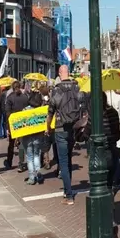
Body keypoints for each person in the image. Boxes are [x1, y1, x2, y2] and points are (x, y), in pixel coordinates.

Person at [47, 65, 84, 205]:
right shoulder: (76, 87)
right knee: (68, 159)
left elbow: (50, 111)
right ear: (68, 73)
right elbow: (82, 104)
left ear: (59, 73)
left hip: (60, 128)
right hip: (74, 128)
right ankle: (67, 190)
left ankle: (68, 195)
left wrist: (47, 127)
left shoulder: (56, 90)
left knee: (63, 162)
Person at [21, 85, 47, 185]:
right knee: (37, 154)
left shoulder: (25, 110)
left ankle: (32, 177)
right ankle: (38, 173)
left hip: (27, 136)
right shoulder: (41, 110)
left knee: (30, 157)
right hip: (38, 135)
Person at [4, 81, 29, 171]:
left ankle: (9, 162)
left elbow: (7, 113)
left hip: (13, 123)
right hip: (23, 122)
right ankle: (21, 163)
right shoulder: (25, 97)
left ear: (12, 88)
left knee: (11, 143)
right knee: (22, 143)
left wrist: (7, 126)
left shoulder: (10, 98)